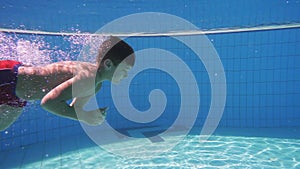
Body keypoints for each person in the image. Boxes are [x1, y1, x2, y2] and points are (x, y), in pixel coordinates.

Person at [0, 36, 135, 131]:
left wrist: (93, 115)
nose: (126, 75)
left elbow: (75, 109)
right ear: (108, 64)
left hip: (18, 94)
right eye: (125, 70)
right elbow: (48, 103)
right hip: (10, 77)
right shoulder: (89, 78)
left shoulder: (96, 85)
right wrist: (86, 117)